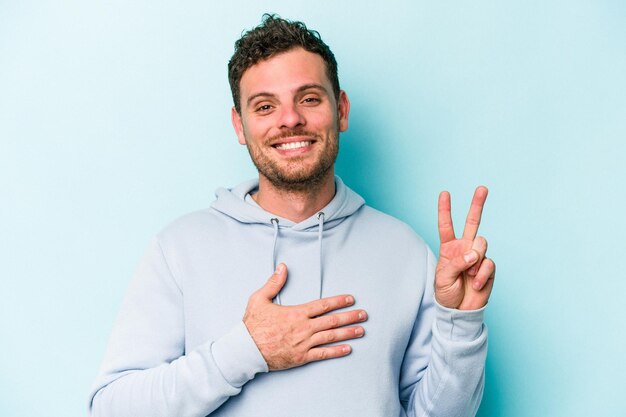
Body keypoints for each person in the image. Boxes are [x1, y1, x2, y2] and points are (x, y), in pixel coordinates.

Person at [89, 14, 495, 417]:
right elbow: (111, 408)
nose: (290, 119)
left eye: (309, 98)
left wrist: (460, 321)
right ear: (239, 125)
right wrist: (247, 349)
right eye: (265, 106)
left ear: (341, 109)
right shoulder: (179, 249)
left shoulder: (404, 250)